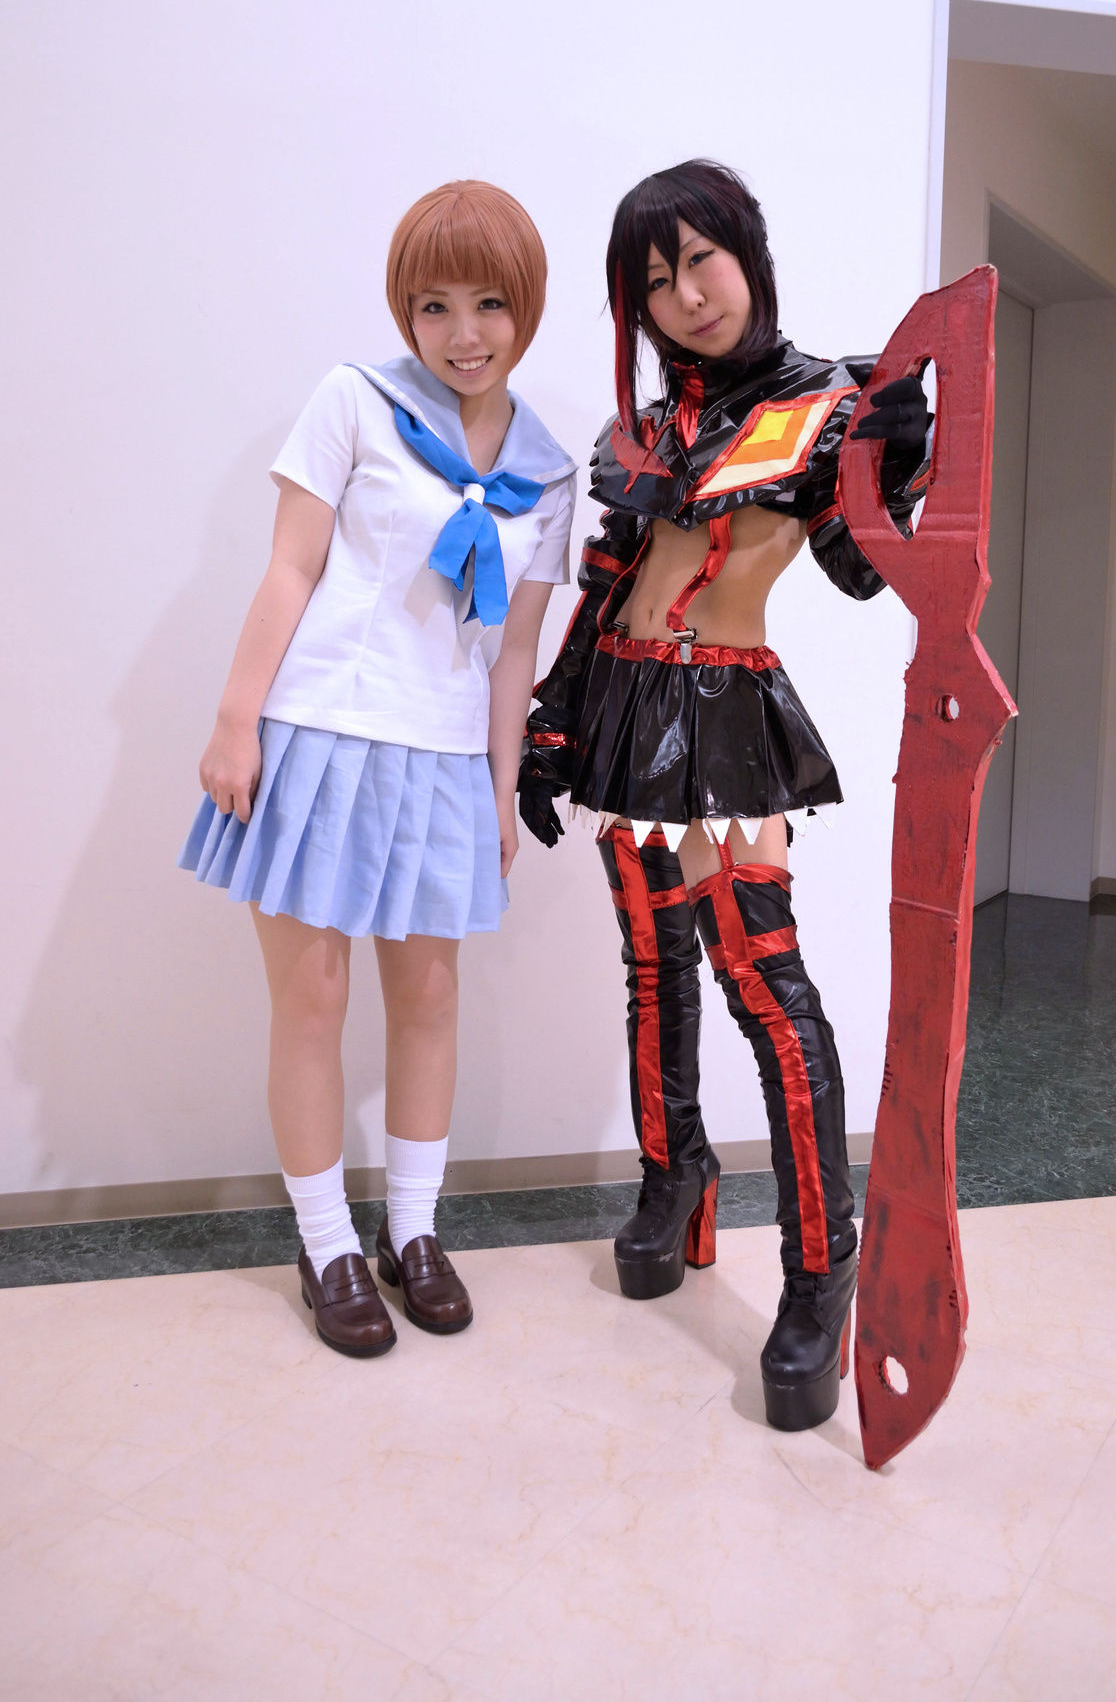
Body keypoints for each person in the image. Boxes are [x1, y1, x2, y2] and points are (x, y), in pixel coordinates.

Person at [518, 160, 928, 1430]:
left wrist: (899, 457)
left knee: (764, 983)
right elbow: (608, 581)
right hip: (622, 716)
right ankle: (673, 1175)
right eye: (655, 280)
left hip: (725, 716)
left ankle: (820, 1263)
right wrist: (551, 721)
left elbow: (865, 571)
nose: (687, 295)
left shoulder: (828, 404)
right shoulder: (647, 430)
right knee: (653, 966)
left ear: (746, 254)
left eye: (701, 260)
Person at [181, 181, 576, 1357]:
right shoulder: (353, 400)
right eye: (433, 304)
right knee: (312, 998)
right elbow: (291, 568)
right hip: (320, 731)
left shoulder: (549, 473)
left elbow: (514, 650)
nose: (464, 332)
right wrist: (236, 720)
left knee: (431, 998)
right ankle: (325, 1244)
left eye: (489, 303)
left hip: (445, 754)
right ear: (405, 312)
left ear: (526, 307)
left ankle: (413, 1232)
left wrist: (500, 789)